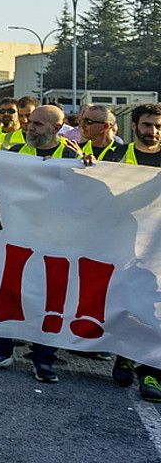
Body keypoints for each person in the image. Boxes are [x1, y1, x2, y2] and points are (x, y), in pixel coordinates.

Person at [0, 105, 80, 384]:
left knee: (49, 300)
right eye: (29, 122)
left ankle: (44, 358)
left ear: (57, 129)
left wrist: (89, 170)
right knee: (7, 293)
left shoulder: (73, 158)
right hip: (16, 240)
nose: (29, 128)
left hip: (54, 243)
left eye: (38, 124)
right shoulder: (15, 154)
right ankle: (0, 349)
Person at [122, 104, 161, 401]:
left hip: (157, 245)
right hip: (124, 240)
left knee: (156, 305)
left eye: (158, 126)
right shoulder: (116, 156)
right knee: (123, 296)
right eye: (148, 125)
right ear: (134, 126)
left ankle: (151, 370)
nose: (154, 131)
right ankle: (124, 352)